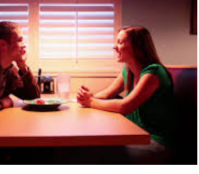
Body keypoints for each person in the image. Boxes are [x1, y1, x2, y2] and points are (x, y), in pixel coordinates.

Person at [76, 25, 178, 164]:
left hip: (155, 143)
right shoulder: (128, 70)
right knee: (84, 147)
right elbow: (107, 94)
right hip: (134, 135)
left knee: (87, 151)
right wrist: (85, 99)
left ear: (137, 47)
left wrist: (91, 102)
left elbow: (125, 106)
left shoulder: (153, 72)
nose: (114, 46)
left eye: (120, 42)